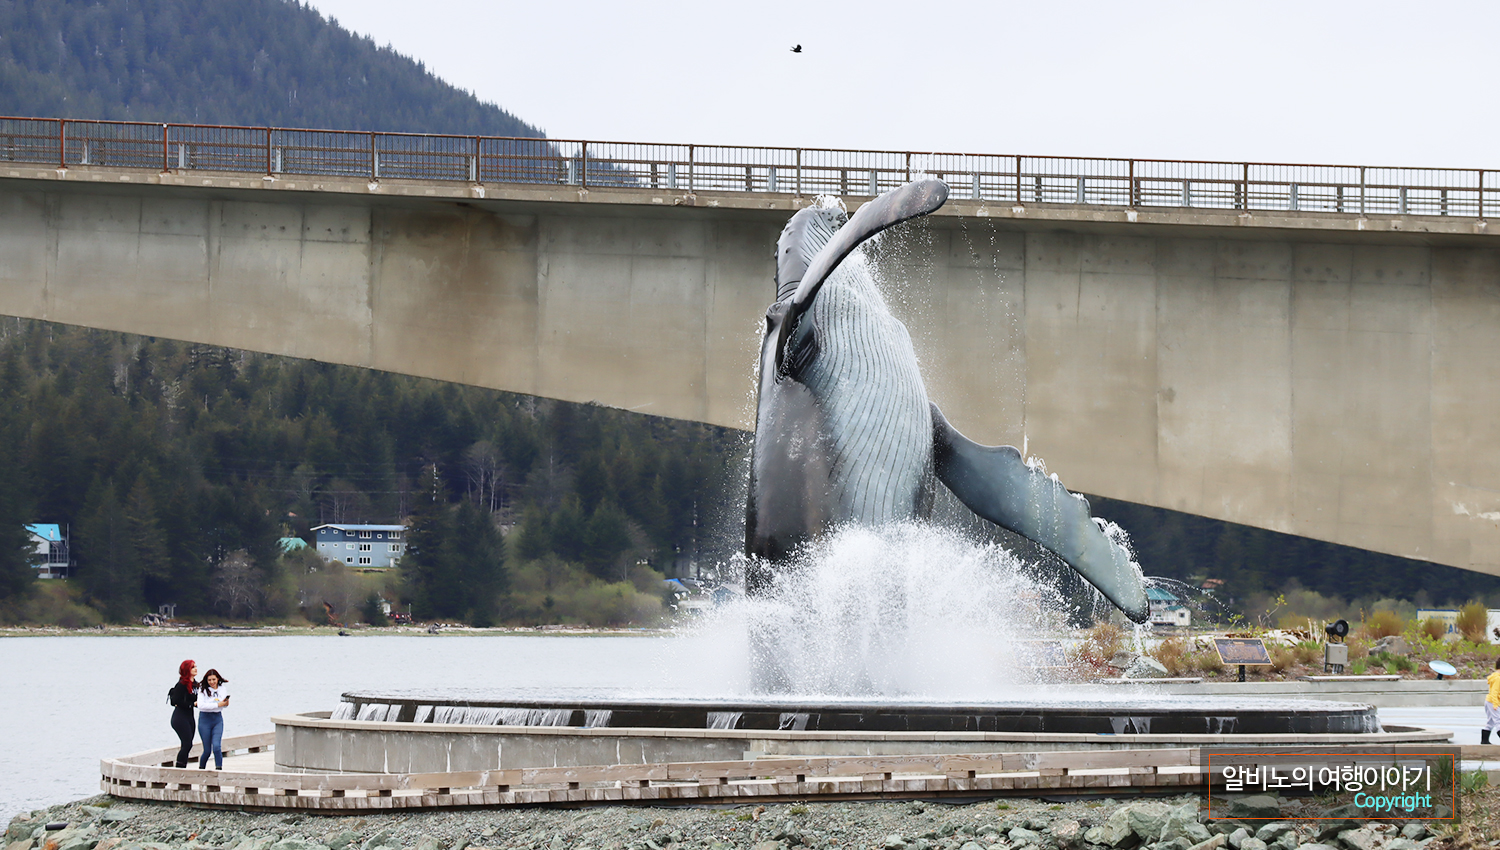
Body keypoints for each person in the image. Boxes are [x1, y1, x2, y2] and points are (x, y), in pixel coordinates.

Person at [196, 668, 231, 769]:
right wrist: (217, 704)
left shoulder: (222, 689)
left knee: (216, 746)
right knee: (207, 750)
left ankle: (219, 769)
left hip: (217, 719)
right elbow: (201, 706)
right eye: (209, 680)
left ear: (217, 679)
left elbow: (223, 705)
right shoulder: (202, 690)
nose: (212, 682)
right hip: (205, 720)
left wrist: (224, 703)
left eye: (214, 679)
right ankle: (201, 769)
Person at [166, 660, 197, 768]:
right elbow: (175, 701)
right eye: (193, 667)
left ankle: (183, 767)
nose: (196, 669)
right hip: (180, 717)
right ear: (187, 670)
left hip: (190, 716)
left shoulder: (196, 684)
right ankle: (179, 769)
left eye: (195, 666)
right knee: (187, 744)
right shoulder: (181, 685)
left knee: (188, 745)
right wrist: (191, 704)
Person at [1485, 658, 1500, 746]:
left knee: (1490, 722)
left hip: (1491, 701)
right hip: (1493, 703)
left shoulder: (1496, 676)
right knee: (1498, 721)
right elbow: (1494, 692)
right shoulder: (1497, 678)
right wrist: (1495, 704)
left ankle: (1484, 741)